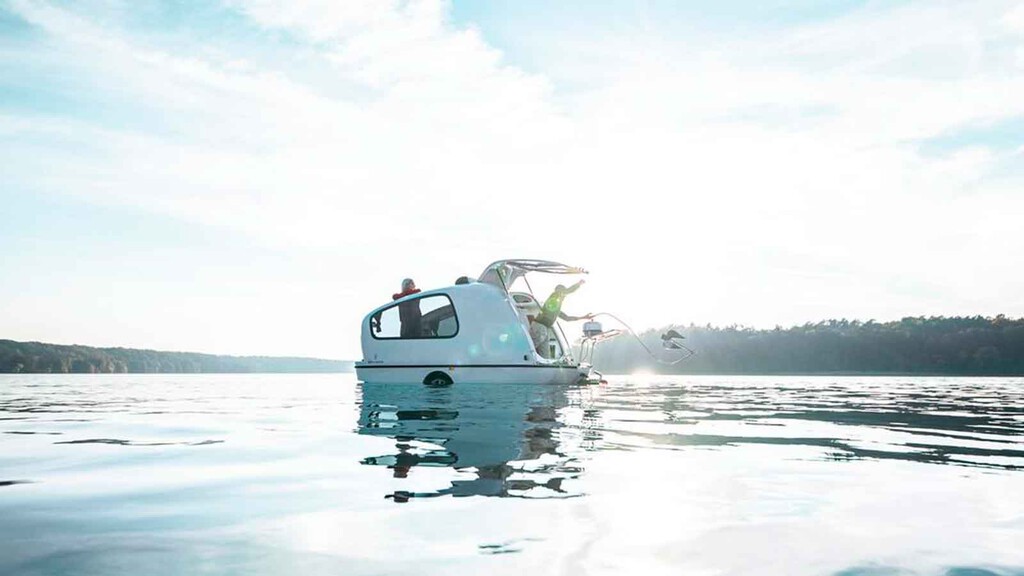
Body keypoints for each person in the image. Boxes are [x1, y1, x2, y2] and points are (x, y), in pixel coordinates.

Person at [529, 280, 591, 357]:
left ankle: (546, 367)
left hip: (544, 328)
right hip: (539, 326)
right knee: (530, 348)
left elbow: (567, 318)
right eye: (563, 294)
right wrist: (579, 284)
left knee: (545, 354)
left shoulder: (555, 308)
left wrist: (583, 317)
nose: (564, 296)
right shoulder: (554, 296)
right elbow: (568, 291)